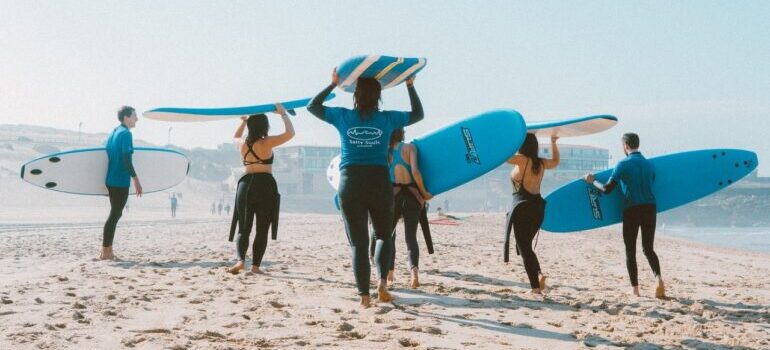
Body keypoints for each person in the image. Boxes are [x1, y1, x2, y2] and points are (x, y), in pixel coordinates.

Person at [308, 69, 424, 307]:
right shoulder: (388, 119)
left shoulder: (342, 117)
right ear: (379, 97)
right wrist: (409, 85)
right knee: (383, 235)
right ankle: (381, 282)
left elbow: (312, 106)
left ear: (355, 96)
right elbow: (418, 114)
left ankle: (364, 296)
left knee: (358, 244)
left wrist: (332, 84)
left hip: (350, 182)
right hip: (379, 181)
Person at [584, 133, 665, 298]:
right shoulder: (649, 165)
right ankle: (658, 280)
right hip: (650, 208)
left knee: (630, 250)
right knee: (648, 248)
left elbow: (607, 190)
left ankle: (635, 289)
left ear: (625, 146)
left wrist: (592, 181)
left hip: (632, 209)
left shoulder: (623, 164)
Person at [226, 104, 294, 275]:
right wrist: (283, 114)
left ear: (250, 126)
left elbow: (235, 137)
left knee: (244, 228)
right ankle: (255, 267)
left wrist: (243, 121)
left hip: (245, 184)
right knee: (262, 228)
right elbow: (290, 133)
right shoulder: (268, 142)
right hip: (265, 185)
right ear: (265, 126)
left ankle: (240, 261)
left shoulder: (242, 143)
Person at [373, 128, 432, 288]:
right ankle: (414, 275)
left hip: (393, 197)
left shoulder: (385, 151)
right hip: (413, 196)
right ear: (402, 133)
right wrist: (424, 193)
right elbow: (415, 172)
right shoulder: (410, 148)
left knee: (387, 235)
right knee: (411, 238)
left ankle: (387, 274)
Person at [503, 134, 559, 294]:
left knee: (524, 248)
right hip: (538, 208)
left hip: (522, 208)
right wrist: (553, 143)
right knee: (526, 247)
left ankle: (535, 288)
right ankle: (539, 274)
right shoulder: (540, 162)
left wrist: (512, 138)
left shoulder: (522, 159)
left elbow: (505, 157)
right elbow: (555, 162)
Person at [101, 106, 142, 260]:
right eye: (134, 116)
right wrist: (136, 179)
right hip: (120, 180)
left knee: (115, 214)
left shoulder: (113, 132)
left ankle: (107, 251)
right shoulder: (126, 134)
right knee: (115, 215)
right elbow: (126, 159)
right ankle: (106, 252)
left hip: (111, 179)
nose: (137, 119)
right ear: (126, 117)